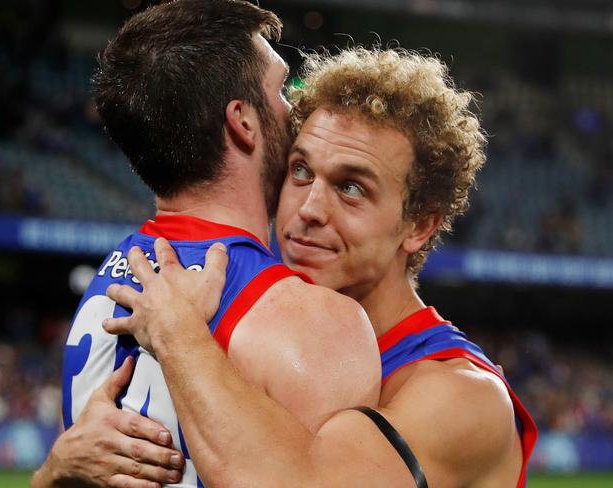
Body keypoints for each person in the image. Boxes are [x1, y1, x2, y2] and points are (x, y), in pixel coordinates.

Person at [102, 47, 538, 487]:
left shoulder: (463, 397)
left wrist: (179, 335)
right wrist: (60, 471)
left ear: (420, 225)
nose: (309, 209)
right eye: (301, 171)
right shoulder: (260, 335)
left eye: (351, 187)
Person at [31, 1, 381, 487]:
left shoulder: (108, 283)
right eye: (281, 88)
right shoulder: (318, 322)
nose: (294, 106)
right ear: (243, 121)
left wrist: (47, 475)